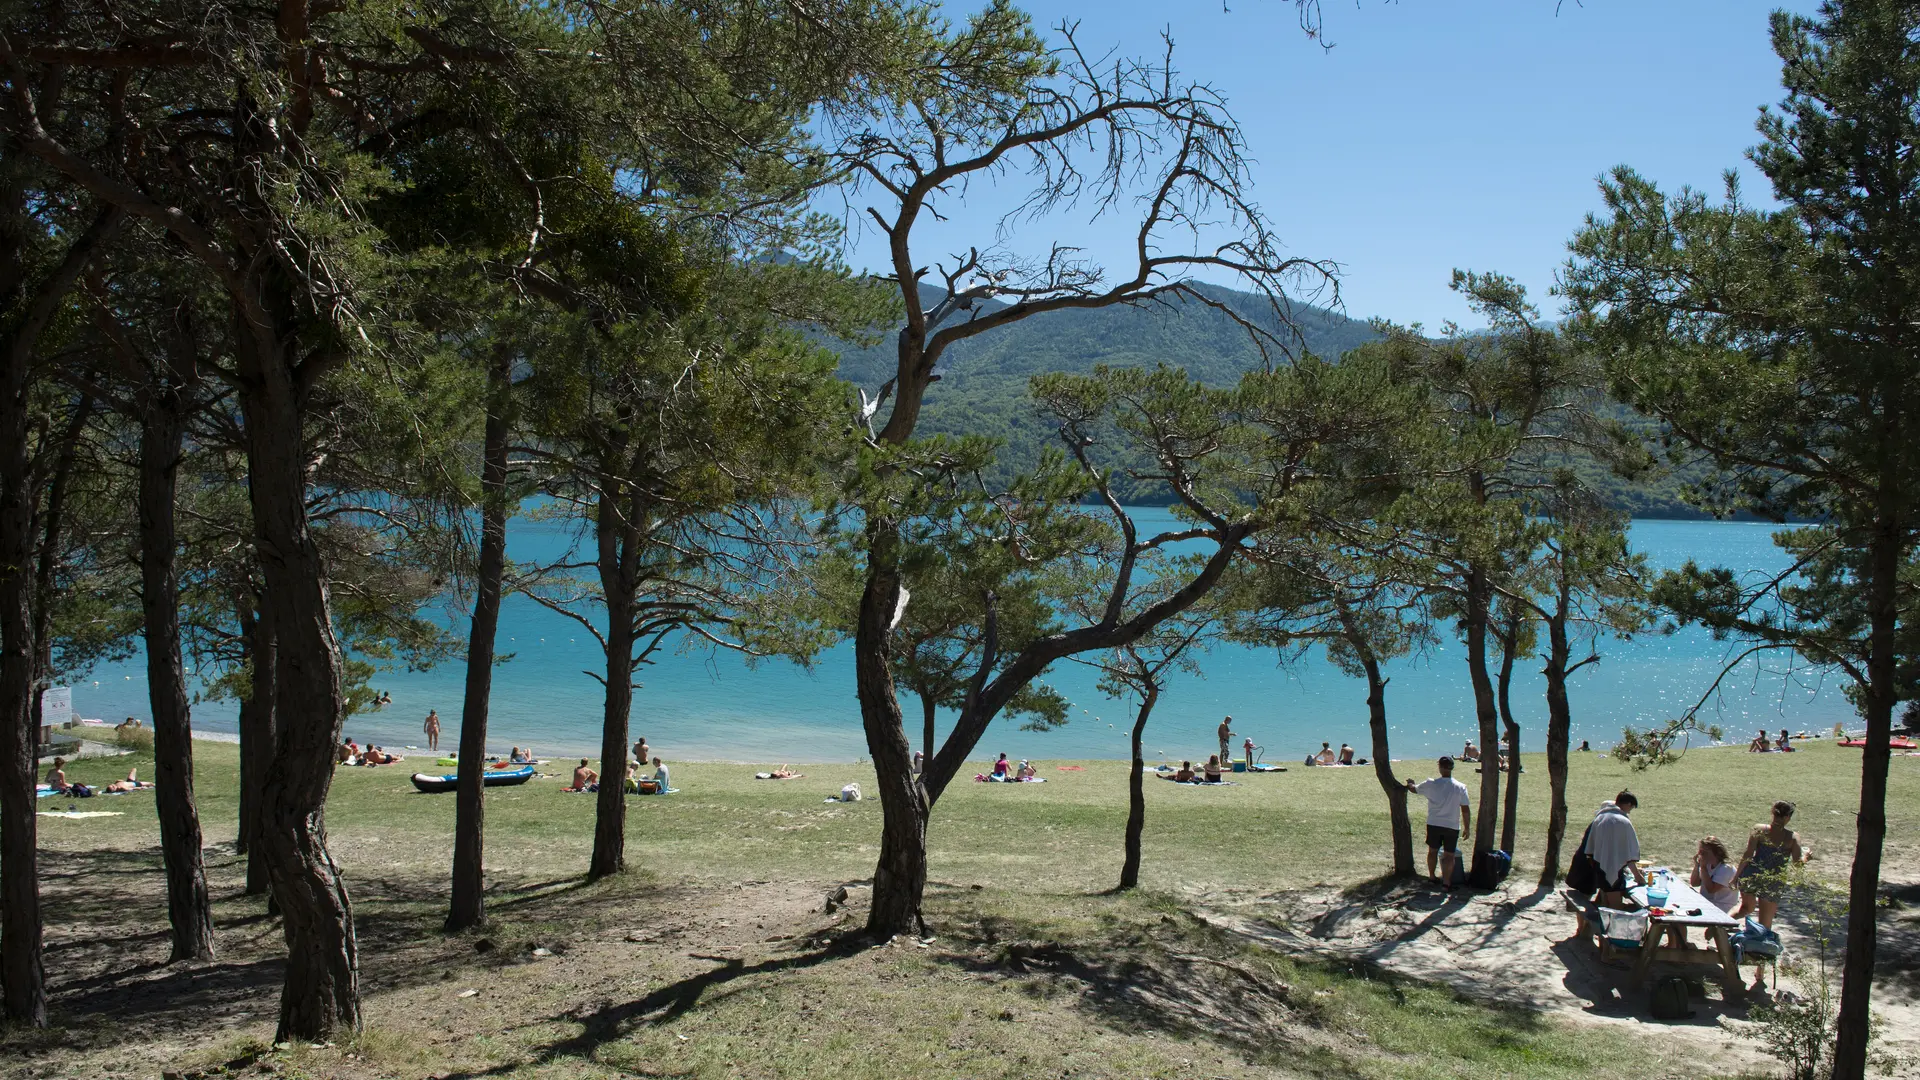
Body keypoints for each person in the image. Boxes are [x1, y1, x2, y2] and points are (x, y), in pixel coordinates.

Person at [1736, 800, 1809, 928]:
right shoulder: (1792, 837)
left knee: (1745, 909)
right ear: (1787, 817)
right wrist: (1806, 857)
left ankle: (1716, 927)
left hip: (1752, 874)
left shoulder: (1759, 829)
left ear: (1772, 812)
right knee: (1765, 924)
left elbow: (1748, 855)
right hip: (1773, 880)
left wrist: (1735, 877)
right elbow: (1797, 864)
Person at [1406, 757, 1471, 887]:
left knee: (1433, 851)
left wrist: (1410, 783)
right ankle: (1446, 883)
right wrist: (1467, 827)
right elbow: (1465, 809)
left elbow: (1414, 789)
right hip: (1452, 825)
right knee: (1449, 855)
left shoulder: (1431, 784)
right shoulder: (1460, 787)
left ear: (1440, 767)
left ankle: (1432, 876)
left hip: (1434, 823)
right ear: (1452, 768)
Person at [1587, 791, 1645, 908]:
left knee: (1605, 902)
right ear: (1628, 804)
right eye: (1631, 808)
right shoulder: (1623, 822)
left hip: (1599, 864)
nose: (1629, 811)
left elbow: (1591, 847)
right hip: (1614, 867)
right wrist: (1638, 876)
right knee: (1615, 907)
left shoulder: (1600, 817)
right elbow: (1628, 853)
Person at [1691, 836, 1740, 914]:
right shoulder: (1708, 864)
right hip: (1708, 904)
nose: (1701, 854)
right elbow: (1694, 883)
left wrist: (1703, 868)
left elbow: (1711, 890)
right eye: (1700, 851)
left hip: (1723, 907)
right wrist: (1697, 866)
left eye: (1705, 851)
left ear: (1716, 852)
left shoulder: (1726, 868)